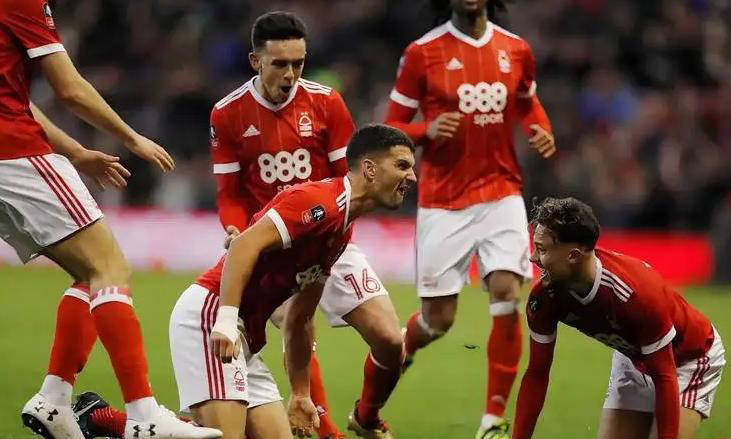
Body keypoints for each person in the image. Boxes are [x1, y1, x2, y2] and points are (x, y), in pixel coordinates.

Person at [70, 124, 416, 439]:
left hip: (244, 339)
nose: (412, 177)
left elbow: (300, 317)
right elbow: (243, 245)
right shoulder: (318, 202)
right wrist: (225, 320)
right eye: (402, 165)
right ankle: (107, 420)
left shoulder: (341, 231)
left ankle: (105, 420)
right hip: (211, 318)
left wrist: (300, 393)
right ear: (369, 168)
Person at [0, 1, 221, 438]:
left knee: (89, 274)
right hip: (14, 150)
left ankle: (53, 400)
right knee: (110, 268)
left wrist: (76, 152)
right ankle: (143, 414)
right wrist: (131, 138)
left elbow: (16, 98)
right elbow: (69, 88)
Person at [210, 12, 406, 439]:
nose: (290, 74)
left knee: (391, 340)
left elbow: (350, 181)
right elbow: (229, 193)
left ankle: (365, 417)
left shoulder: (326, 102)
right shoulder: (227, 113)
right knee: (297, 325)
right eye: (280, 63)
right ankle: (327, 430)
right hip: (275, 249)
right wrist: (236, 231)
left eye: (298, 63)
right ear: (255, 61)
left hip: (329, 237)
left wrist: (333, 241)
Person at [384, 1, 556, 437]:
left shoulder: (516, 49)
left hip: (502, 191)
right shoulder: (422, 53)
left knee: (507, 292)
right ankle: (402, 350)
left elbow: (528, 103)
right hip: (443, 201)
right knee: (437, 320)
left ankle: (492, 420)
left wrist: (541, 128)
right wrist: (425, 131)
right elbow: (392, 127)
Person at [512, 197, 726, 439]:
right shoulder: (544, 299)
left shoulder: (635, 294)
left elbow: (665, 375)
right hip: (634, 357)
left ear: (573, 256)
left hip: (689, 357)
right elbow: (537, 373)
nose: (533, 258)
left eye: (542, 250)